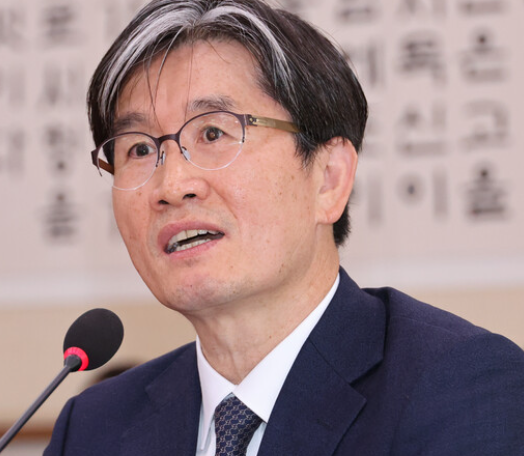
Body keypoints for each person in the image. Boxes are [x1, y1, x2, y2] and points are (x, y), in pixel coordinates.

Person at [44, 0, 524, 454]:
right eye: (139, 149)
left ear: (329, 178)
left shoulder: (459, 389)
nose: (171, 185)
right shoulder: (92, 429)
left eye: (212, 132)